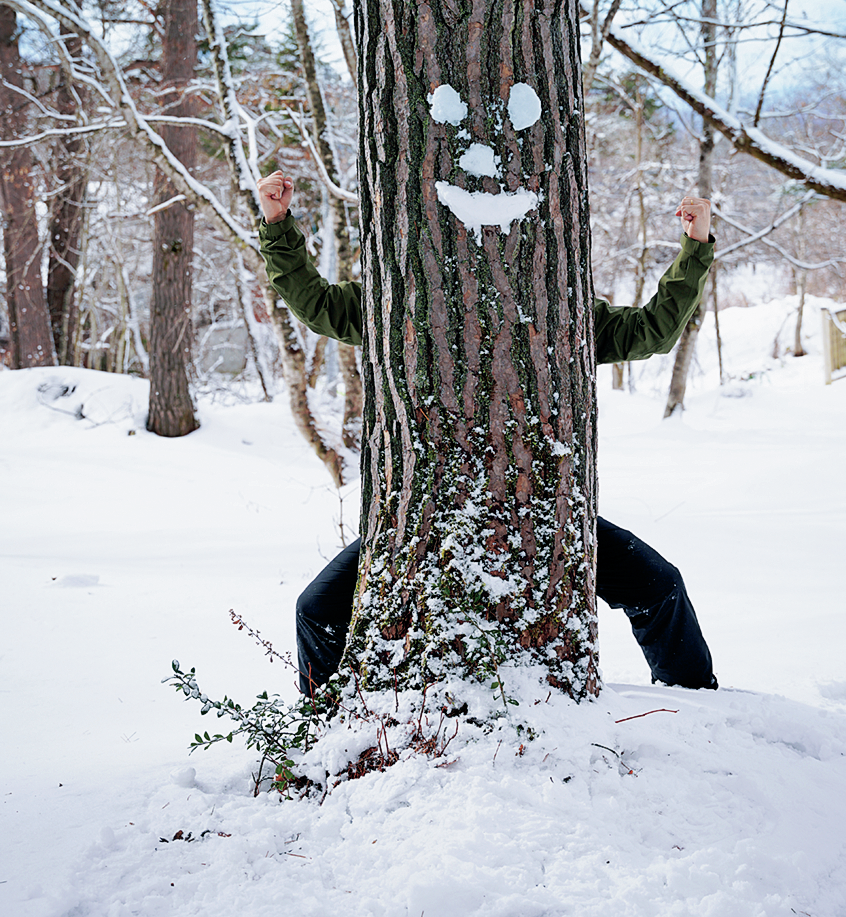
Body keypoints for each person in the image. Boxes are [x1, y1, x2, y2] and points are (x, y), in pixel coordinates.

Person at [257, 169, 718, 696]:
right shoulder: (403, 306)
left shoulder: (556, 312)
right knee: (315, 609)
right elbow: (317, 303)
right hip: (424, 507)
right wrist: (278, 225)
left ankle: (696, 705)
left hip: (540, 508)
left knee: (660, 586)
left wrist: (694, 246)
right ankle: (323, 727)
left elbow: (649, 332)